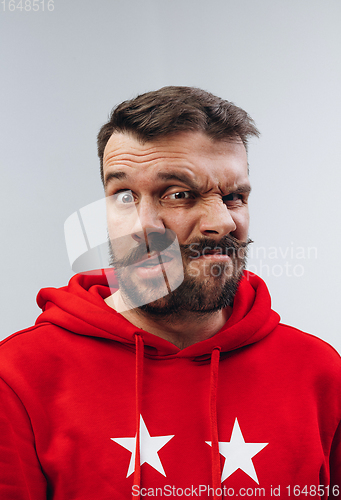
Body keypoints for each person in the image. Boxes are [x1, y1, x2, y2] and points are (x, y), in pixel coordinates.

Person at [0, 87, 340, 500]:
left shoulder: (321, 374)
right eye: (181, 194)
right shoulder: (16, 379)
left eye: (233, 197)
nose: (222, 223)